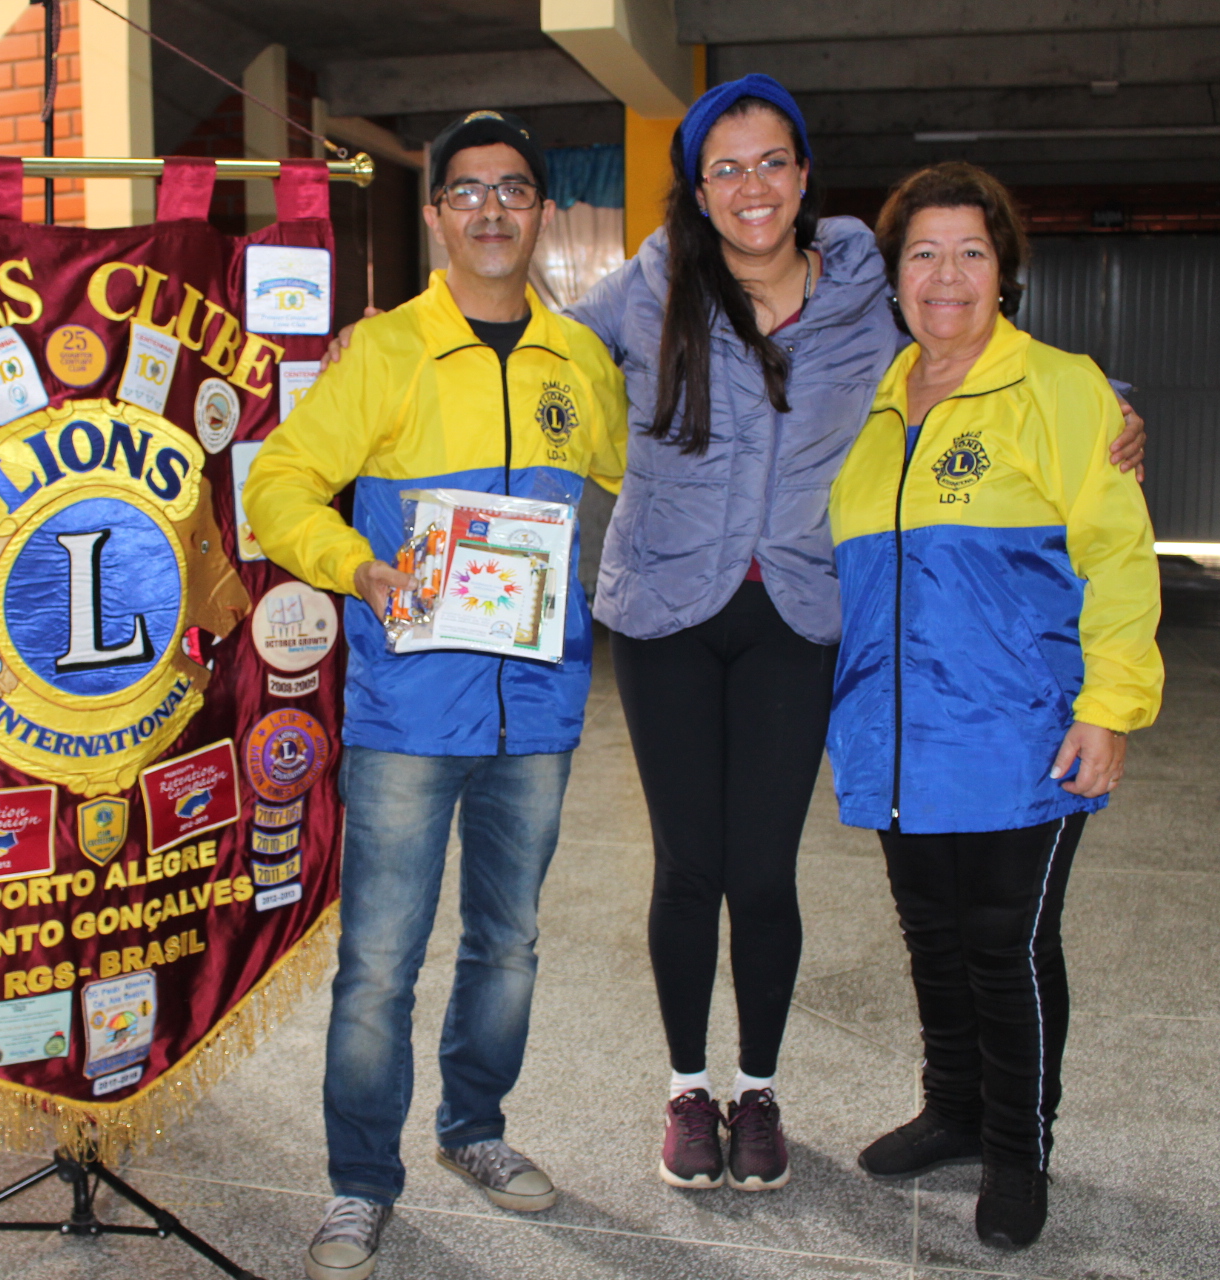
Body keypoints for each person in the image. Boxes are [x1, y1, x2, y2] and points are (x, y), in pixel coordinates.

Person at [321, 76, 1144, 1196]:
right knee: (687, 866)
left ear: (804, 178)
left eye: (771, 163)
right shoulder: (650, 284)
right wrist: (393, 325)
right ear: (699, 191)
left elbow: (967, 340)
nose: (750, 187)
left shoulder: (864, 281)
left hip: (797, 615)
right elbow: (531, 329)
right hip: (664, 611)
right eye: (725, 169)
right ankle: (686, 1089)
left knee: (761, 871)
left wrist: (1111, 403)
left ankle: (757, 1087)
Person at [245, 110, 626, 1280]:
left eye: (515, 189)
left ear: (544, 212)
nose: (493, 210)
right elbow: (279, 482)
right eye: (469, 192)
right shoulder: (387, 353)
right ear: (435, 213)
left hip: (541, 712)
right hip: (411, 712)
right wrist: (357, 565)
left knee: (506, 945)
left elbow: (629, 494)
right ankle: (361, 1181)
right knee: (379, 963)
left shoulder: (583, 363)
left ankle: (474, 1129)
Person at [827, 161, 1163, 1250]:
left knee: (1004, 940)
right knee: (930, 932)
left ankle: (1019, 1147)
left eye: (971, 251)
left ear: (1005, 269)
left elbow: (1117, 557)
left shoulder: (1065, 391)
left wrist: (1110, 705)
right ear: (894, 276)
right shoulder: (879, 411)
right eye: (923, 252)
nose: (947, 275)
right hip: (901, 736)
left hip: (1023, 727)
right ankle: (956, 1108)